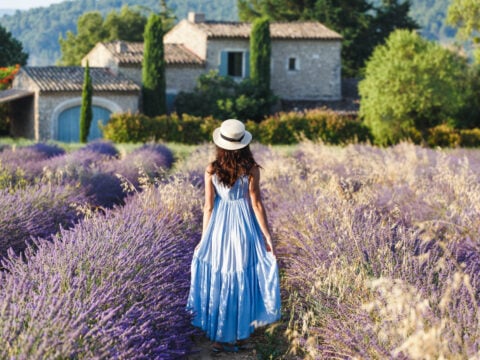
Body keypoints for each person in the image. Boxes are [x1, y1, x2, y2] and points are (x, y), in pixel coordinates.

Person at [187, 119, 281, 353]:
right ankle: (241, 334)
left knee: (222, 275)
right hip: (244, 226)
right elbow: (257, 204)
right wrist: (267, 236)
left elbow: (208, 207)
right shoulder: (251, 169)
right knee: (241, 274)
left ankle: (220, 337)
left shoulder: (211, 169)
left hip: (219, 227)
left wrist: (204, 237)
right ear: (243, 144)